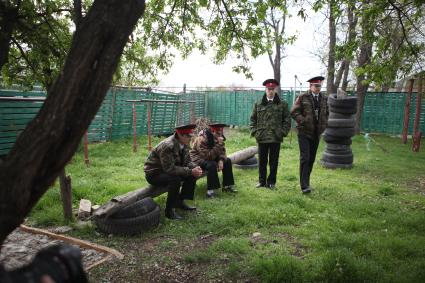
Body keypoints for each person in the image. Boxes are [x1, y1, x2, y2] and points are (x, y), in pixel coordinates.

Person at [144, 124, 203, 220]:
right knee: (175, 179)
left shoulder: (184, 143)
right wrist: (190, 171)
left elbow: (187, 161)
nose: (190, 138)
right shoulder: (168, 145)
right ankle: (169, 211)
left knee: (192, 175)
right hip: (154, 174)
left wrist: (195, 168)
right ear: (181, 135)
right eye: (188, 136)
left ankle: (179, 202)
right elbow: (169, 169)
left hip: (167, 171)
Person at [249, 79, 291, 189]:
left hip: (275, 137)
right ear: (265, 89)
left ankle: (271, 182)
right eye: (269, 89)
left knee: (273, 161)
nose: (271, 91)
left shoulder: (282, 104)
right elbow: (252, 120)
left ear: (275, 89)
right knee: (262, 161)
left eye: (272, 89)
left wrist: (282, 133)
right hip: (262, 137)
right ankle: (262, 181)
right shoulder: (258, 104)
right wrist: (255, 132)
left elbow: (287, 120)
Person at [290, 76, 329, 194]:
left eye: (319, 86)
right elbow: (294, 112)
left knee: (311, 159)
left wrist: (324, 123)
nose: (318, 88)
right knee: (305, 158)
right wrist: (303, 121)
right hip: (304, 132)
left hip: (316, 133)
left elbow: (327, 112)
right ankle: (304, 185)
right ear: (310, 86)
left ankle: (307, 181)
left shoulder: (323, 98)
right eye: (316, 86)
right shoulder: (303, 97)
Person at [190, 123, 236, 198]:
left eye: (221, 132)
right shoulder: (202, 139)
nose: (220, 134)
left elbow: (223, 152)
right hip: (198, 158)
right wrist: (219, 145)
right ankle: (211, 191)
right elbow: (208, 156)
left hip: (211, 156)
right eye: (218, 133)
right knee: (212, 164)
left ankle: (227, 186)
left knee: (227, 161)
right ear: (212, 131)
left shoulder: (219, 137)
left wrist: (221, 160)